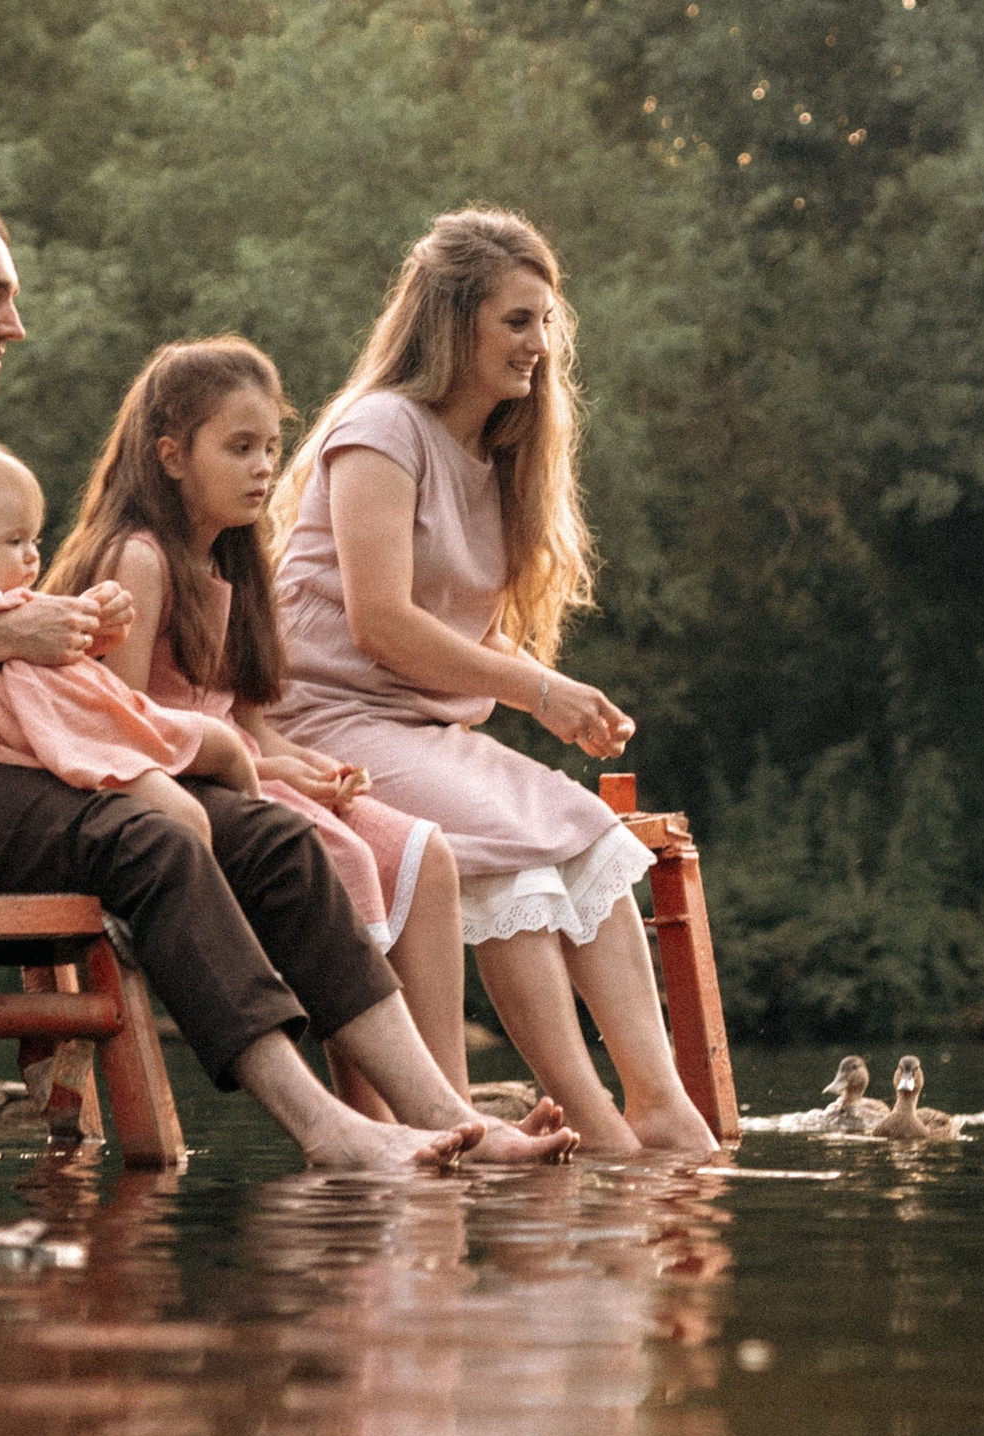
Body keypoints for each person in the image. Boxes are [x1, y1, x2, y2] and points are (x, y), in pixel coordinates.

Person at [0, 183, 572, 1171]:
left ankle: (445, 1117)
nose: (14, 325)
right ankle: (330, 1129)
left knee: (274, 836)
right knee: (147, 836)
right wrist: (1, 638)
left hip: (4, 760)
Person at [266, 206, 715, 1155]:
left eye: (546, 322)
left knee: (588, 833)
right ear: (451, 321)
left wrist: (555, 692)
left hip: (419, 728)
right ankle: (598, 1128)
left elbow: (463, 628)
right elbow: (381, 622)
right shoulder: (380, 429)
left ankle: (658, 1101)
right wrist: (537, 693)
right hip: (325, 718)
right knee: (515, 849)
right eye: (517, 321)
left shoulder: (499, 454)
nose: (539, 345)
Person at [44, 335, 471, 1109]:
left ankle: (451, 1103)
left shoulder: (236, 563)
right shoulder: (137, 560)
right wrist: (262, 768)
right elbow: (116, 727)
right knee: (341, 854)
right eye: (240, 447)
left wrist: (302, 766)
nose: (263, 466)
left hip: (233, 772)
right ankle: (380, 1116)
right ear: (172, 456)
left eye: (272, 447)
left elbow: (249, 722)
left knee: (423, 853)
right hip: (167, 784)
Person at [0, 439, 260, 850]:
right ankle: (201, 879)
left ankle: (250, 842)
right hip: (72, 737)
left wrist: (97, 622)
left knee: (227, 748)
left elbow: (68, 652)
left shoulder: (23, 603)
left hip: (106, 713)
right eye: (14, 541)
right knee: (185, 818)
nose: (32, 555)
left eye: (35, 541)